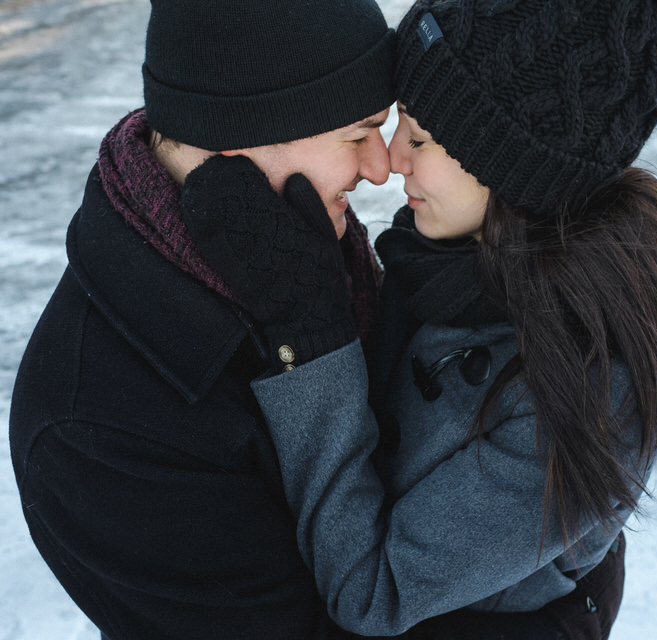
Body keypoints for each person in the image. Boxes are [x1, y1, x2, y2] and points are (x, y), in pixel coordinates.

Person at [181, 1, 657, 638]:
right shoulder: (450, 259)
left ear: (511, 170)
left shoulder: (590, 387)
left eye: (418, 137)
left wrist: (311, 344)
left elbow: (372, 593)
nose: (390, 161)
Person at [7, 1, 395, 638]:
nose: (381, 168)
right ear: (237, 132)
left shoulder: (320, 254)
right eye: (358, 134)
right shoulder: (97, 427)